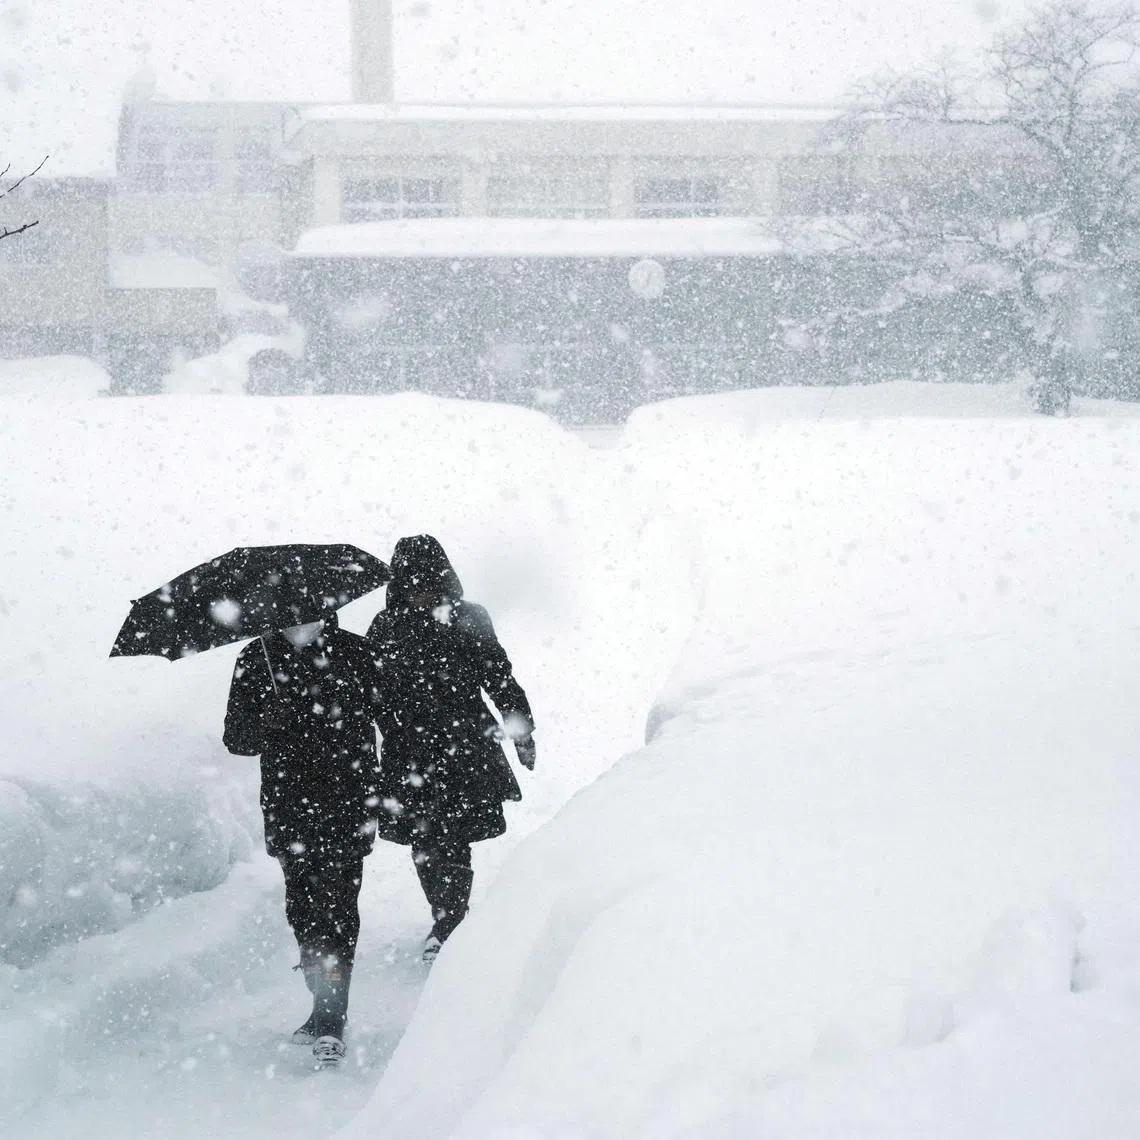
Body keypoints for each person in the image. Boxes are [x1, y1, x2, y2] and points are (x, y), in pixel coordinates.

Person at [223, 611, 384, 1066]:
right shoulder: (257, 656)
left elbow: (390, 714)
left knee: (338, 903)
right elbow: (236, 737)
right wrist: (265, 722)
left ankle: (332, 1016)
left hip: (348, 797)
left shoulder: (356, 651)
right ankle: (320, 999)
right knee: (302, 905)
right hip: (288, 801)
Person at [366, 535, 536, 962]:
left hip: (464, 745)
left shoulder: (469, 618)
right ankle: (445, 915)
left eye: (428, 580)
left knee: (453, 835)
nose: (420, 589)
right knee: (424, 839)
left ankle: (450, 921)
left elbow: (498, 676)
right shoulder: (386, 625)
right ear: (399, 582)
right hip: (409, 748)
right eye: (411, 580)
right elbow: (371, 690)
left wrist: (522, 731)